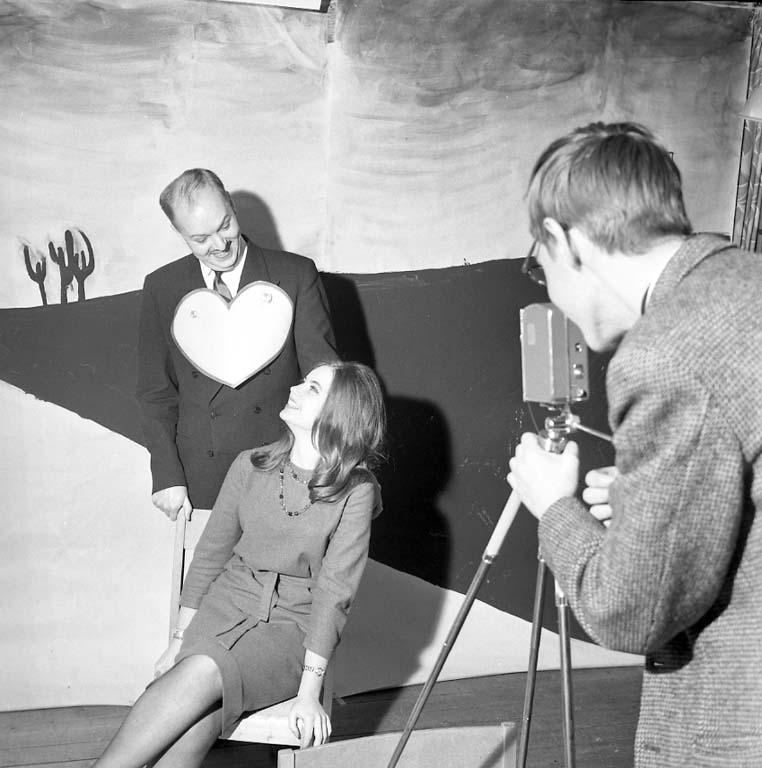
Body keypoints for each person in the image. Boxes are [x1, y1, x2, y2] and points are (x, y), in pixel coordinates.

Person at [506, 122, 762, 767]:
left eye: (541, 266)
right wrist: (651, 504)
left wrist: (554, 508)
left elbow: (633, 612)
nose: (552, 294)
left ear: (566, 240)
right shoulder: (747, 284)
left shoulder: (665, 352)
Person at [95, 360, 385, 767]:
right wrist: (178, 640)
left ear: (341, 412)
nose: (295, 389)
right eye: (303, 382)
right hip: (225, 607)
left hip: (290, 630)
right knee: (200, 702)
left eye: (313, 389)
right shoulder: (251, 465)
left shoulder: (356, 490)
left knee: (203, 676)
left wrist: (309, 692)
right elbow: (210, 555)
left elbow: (334, 594)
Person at [136, 168, 337, 521]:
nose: (219, 244)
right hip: (200, 478)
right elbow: (156, 393)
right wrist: (166, 475)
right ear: (178, 232)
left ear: (230, 204)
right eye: (200, 239)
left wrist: (335, 466)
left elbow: (326, 381)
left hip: (284, 466)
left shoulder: (295, 274)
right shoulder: (161, 287)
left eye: (224, 225)